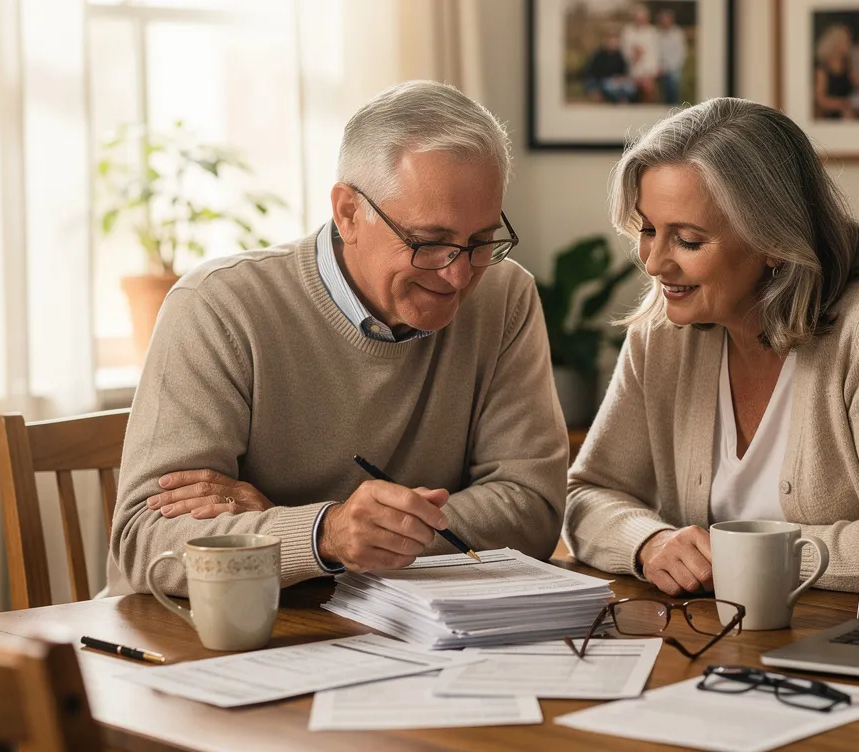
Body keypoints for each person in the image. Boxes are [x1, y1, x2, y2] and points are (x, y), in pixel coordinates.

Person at [104, 81, 568, 597]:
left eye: (482, 242)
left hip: (395, 633)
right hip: (198, 637)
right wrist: (324, 534)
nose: (458, 276)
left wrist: (306, 529)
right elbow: (146, 542)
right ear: (349, 212)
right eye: (430, 243)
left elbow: (533, 510)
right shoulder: (218, 306)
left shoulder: (506, 296)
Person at [564, 98, 859, 595]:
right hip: (702, 637)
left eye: (688, 240)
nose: (653, 264)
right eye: (649, 230)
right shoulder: (661, 329)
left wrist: (743, 557)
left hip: (839, 640)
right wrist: (649, 542)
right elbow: (586, 493)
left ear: (774, 242)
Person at [814, 24, 857, 120]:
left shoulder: (848, 65)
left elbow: (856, 89)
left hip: (847, 116)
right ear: (836, 43)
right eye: (846, 41)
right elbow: (821, 100)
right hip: (828, 117)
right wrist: (843, 104)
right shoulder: (822, 68)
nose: (849, 44)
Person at [621, 5, 660, 103]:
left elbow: (655, 54)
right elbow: (625, 52)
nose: (640, 21)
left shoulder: (652, 32)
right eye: (638, 18)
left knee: (648, 86)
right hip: (632, 69)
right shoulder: (628, 31)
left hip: (649, 70)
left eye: (642, 18)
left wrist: (649, 73)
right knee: (630, 87)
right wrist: (634, 55)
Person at [585, 31, 637, 104]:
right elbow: (592, 73)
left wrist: (622, 78)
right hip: (604, 81)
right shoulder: (599, 55)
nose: (613, 44)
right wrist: (593, 88)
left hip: (619, 82)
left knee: (630, 88)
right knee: (610, 87)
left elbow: (624, 71)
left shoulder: (620, 55)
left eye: (615, 42)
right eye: (611, 42)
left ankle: (622, 99)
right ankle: (619, 99)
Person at [655, 8, 688, 105]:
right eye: (663, 20)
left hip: (674, 68)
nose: (665, 22)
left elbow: (681, 53)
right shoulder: (657, 34)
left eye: (667, 20)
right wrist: (661, 67)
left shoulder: (678, 33)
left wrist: (670, 68)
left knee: (673, 85)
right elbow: (657, 52)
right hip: (661, 68)